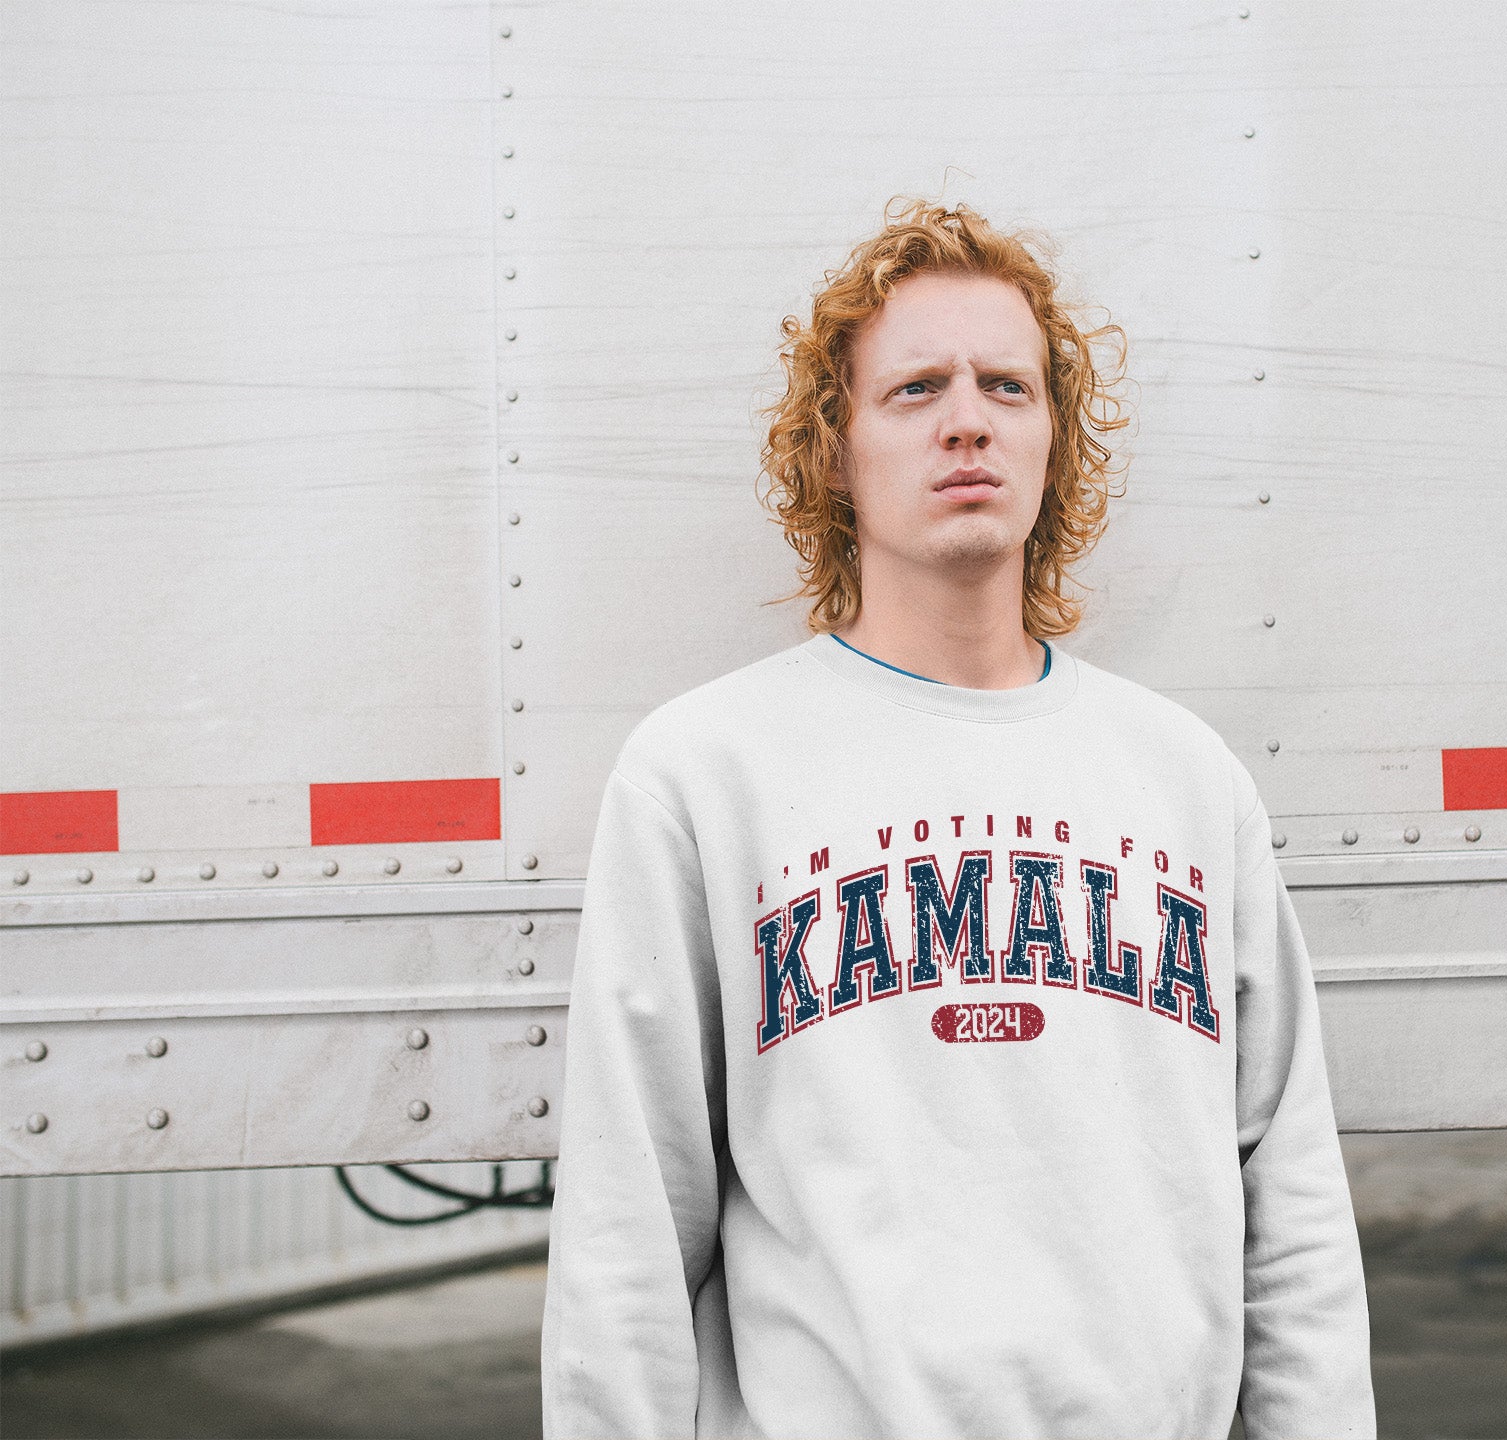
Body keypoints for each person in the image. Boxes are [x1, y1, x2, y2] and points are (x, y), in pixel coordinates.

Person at [540, 199, 1375, 1439]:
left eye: (1008, 385)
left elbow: (1291, 1204)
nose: (968, 419)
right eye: (915, 388)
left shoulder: (1186, 780)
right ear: (834, 449)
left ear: (1054, 438)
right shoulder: (705, 776)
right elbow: (627, 1234)